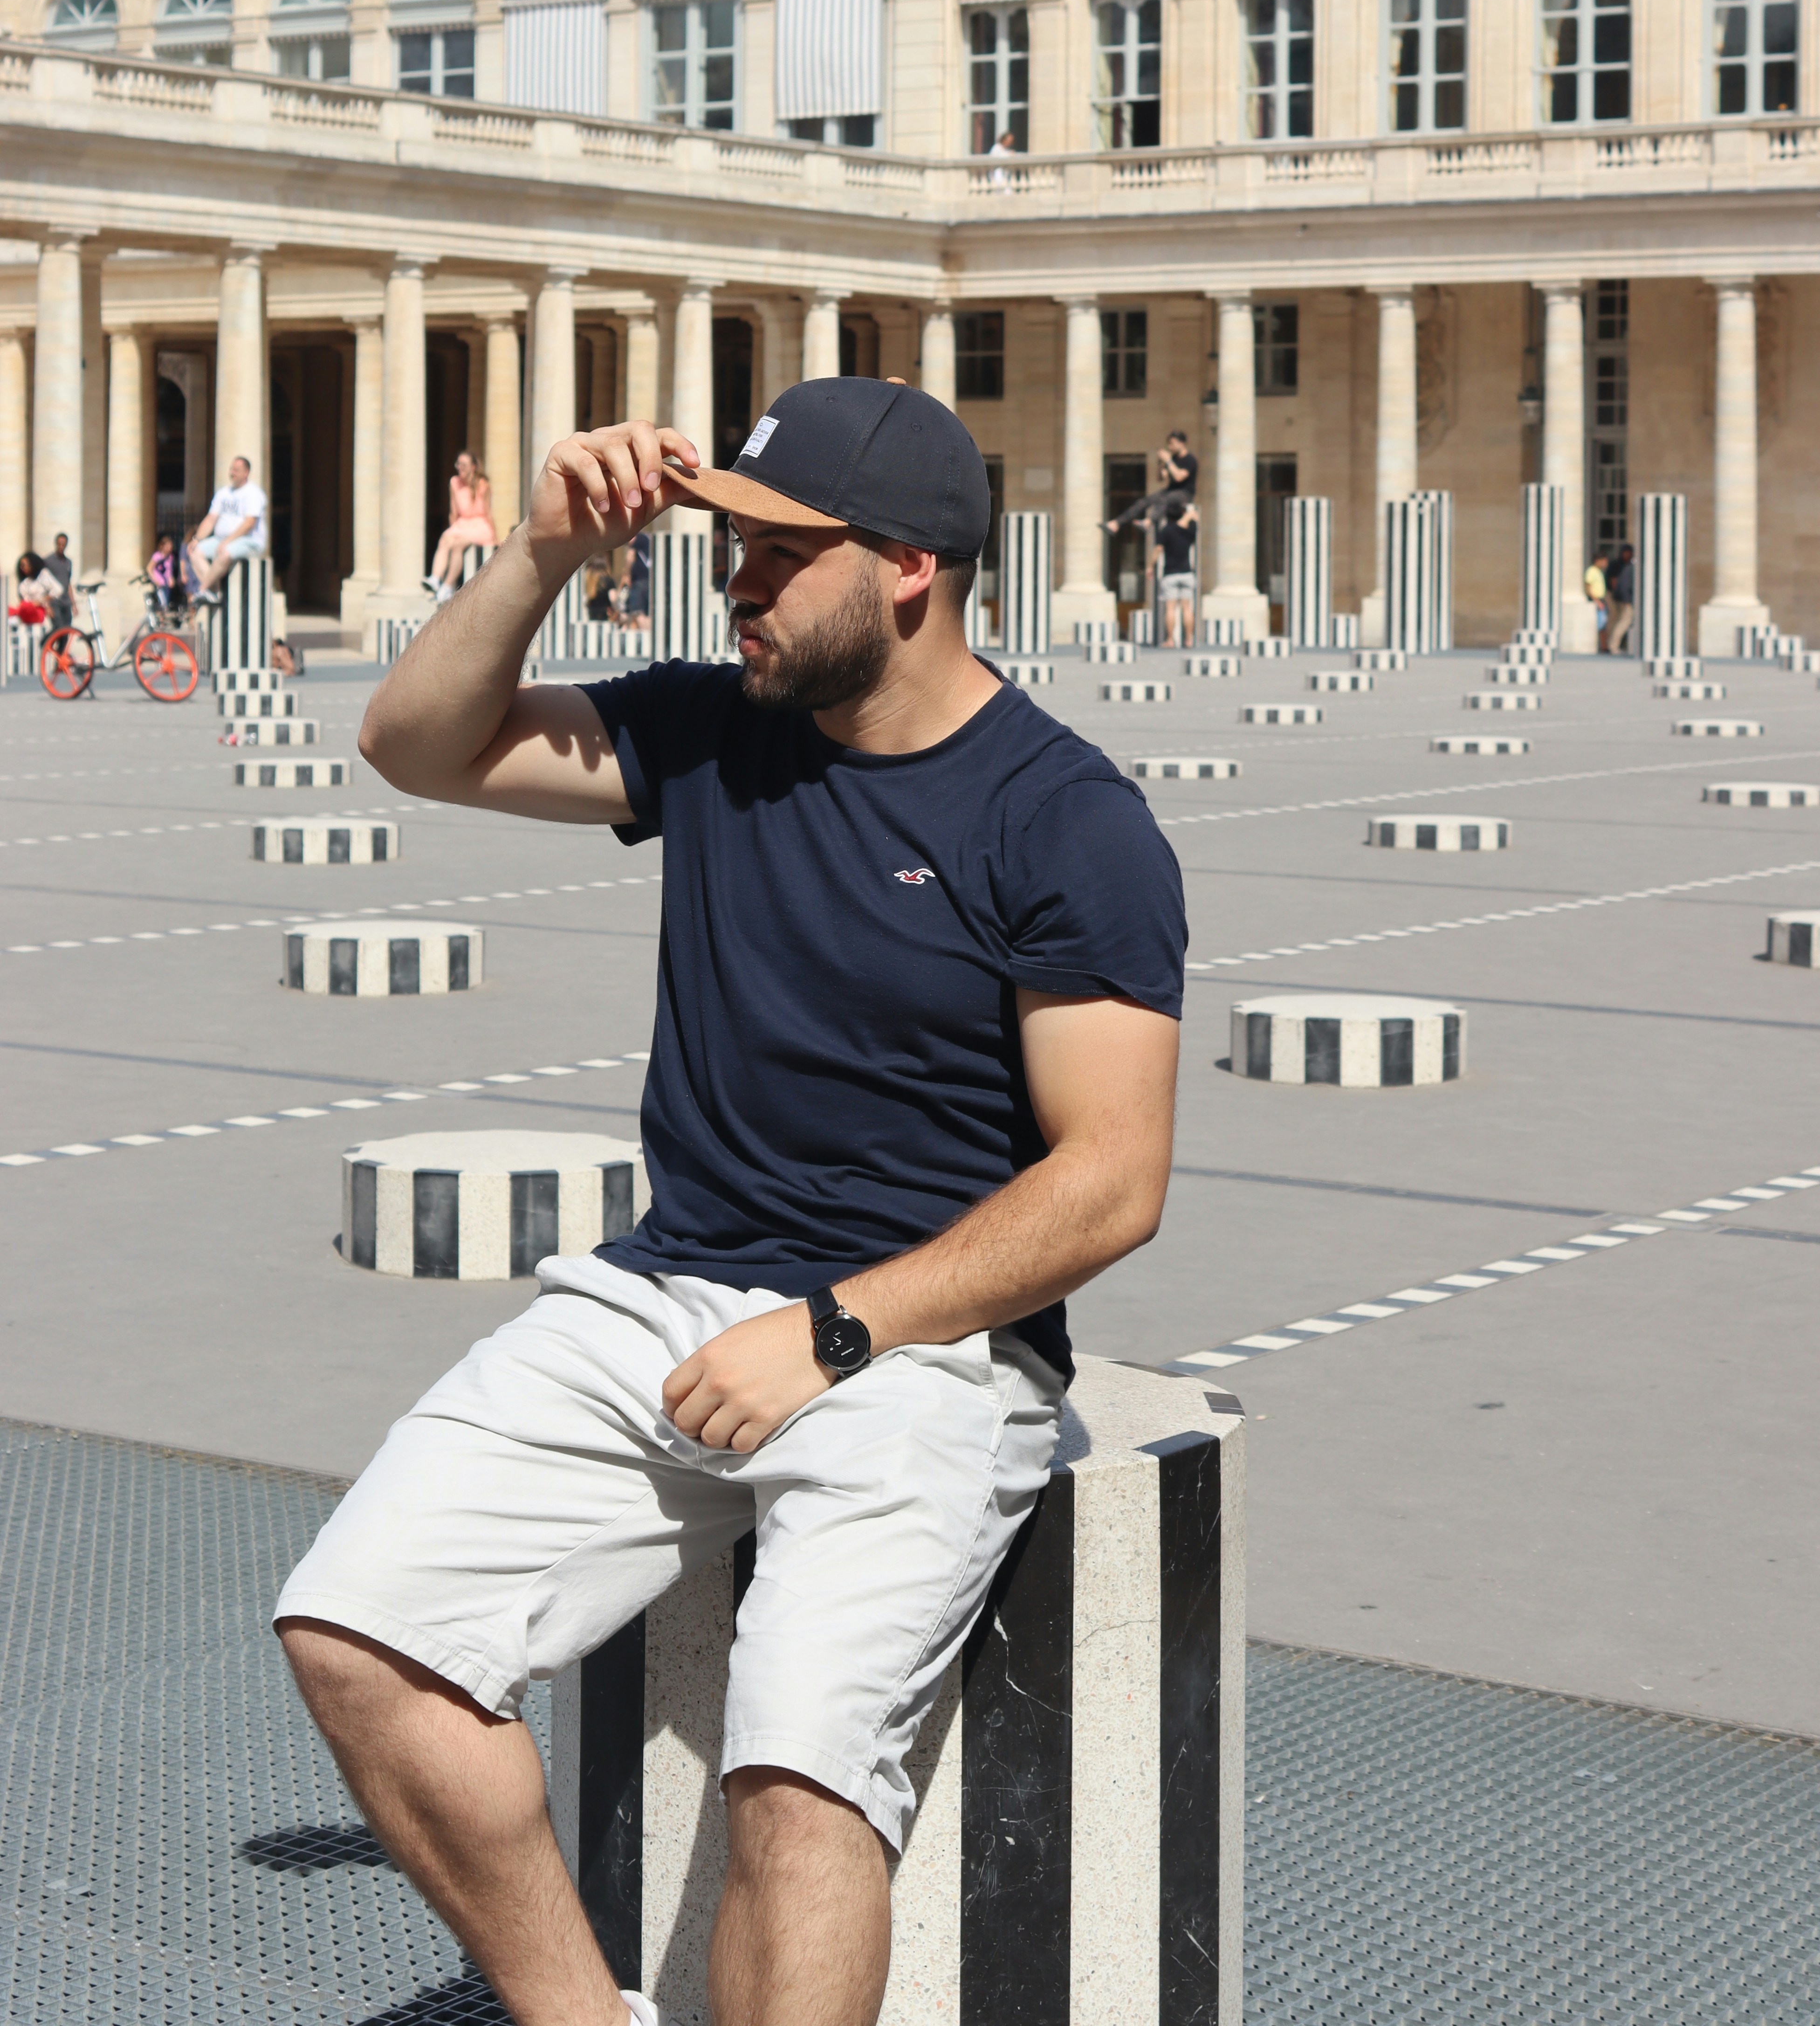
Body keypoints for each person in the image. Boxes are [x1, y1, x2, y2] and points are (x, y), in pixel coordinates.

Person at [275, 377, 1185, 2026]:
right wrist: (544, 552)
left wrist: (834, 1331)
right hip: (665, 1287)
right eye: (726, 549)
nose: (733, 587)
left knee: (799, 1781)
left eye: (774, 556)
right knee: (357, 1628)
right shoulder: (715, 732)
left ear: (906, 567)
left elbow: (1114, 1181)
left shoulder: (1066, 822)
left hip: (923, 1347)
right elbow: (416, 746)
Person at [189, 458, 268, 601]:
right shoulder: (223, 493)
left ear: (246, 472)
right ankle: (214, 590)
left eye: (236, 470)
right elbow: (211, 519)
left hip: (249, 541)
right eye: (231, 469)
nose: (232, 473)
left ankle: (202, 589)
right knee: (195, 552)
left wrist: (228, 541)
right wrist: (197, 539)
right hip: (222, 540)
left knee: (225, 554)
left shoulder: (253, 493)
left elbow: (249, 522)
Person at [426, 452, 496, 600]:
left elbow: (488, 512)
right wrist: (454, 529)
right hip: (463, 524)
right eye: (458, 464)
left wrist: (495, 537)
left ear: (473, 467)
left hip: (479, 524)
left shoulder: (483, 484)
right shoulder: (454, 482)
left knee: (458, 546)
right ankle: (435, 578)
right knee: (445, 540)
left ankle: (448, 585)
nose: (460, 468)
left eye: (464, 465)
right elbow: (453, 511)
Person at [1106, 428, 1198, 538]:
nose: (1170, 447)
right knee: (1145, 501)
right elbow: (1161, 478)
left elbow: (1179, 477)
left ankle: (1149, 522)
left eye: (1172, 444)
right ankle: (1116, 524)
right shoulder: (1173, 459)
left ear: (1181, 443)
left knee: (1165, 498)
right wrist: (1162, 464)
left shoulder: (1190, 460)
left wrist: (1169, 461)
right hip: (1170, 491)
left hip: (1184, 494)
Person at [1154, 494, 1199, 648]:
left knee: (1171, 608)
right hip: (1187, 573)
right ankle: (1189, 639)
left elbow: (1158, 550)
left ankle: (1170, 640)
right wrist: (1190, 515)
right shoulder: (1190, 529)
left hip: (1171, 574)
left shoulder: (1166, 530)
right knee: (1187, 608)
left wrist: (1150, 566)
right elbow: (1190, 522)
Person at [38, 532, 73, 630]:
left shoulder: (68, 562)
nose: (61, 547)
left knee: (67, 631)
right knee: (58, 628)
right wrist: (47, 605)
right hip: (54, 602)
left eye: (64, 544)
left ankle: (60, 647)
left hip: (66, 602)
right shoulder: (48, 561)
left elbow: (68, 583)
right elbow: (43, 584)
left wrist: (74, 604)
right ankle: (46, 643)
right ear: (56, 544)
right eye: (60, 544)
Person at [1606, 543, 1635, 654]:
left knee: (1619, 621)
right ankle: (1613, 645)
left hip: (1621, 597)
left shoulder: (1629, 566)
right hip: (1619, 597)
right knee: (1622, 621)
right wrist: (1626, 600)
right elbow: (1616, 583)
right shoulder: (1622, 566)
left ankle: (1612, 645)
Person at [1584, 545, 1609, 651]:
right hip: (1597, 601)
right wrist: (1597, 601)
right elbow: (1588, 588)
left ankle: (1604, 646)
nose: (1606, 564)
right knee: (1599, 625)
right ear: (1598, 560)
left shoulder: (1599, 571)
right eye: (1604, 561)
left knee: (1603, 625)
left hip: (1601, 600)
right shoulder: (1592, 571)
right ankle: (1600, 647)